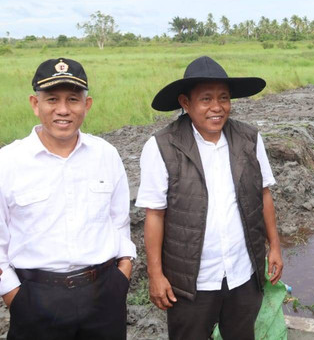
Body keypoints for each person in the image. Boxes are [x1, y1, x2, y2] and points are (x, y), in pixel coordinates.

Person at [136, 56, 283, 340]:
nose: (217, 107)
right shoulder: (162, 147)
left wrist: (274, 246)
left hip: (242, 273)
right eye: (206, 99)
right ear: (185, 103)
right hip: (191, 282)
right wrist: (156, 274)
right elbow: (155, 214)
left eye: (223, 98)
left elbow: (264, 193)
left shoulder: (249, 139)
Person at [0, 58, 136, 340]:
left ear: (86, 105)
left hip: (104, 295)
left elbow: (119, 220)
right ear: (35, 104)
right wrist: (15, 295)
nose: (63, 110)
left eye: (73, 99)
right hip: (35, 298)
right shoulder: (9, 162)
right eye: (52, 99)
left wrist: (123, 272)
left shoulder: (105, 155)